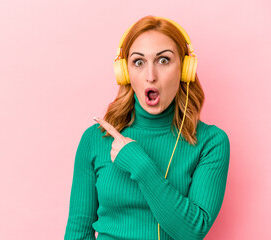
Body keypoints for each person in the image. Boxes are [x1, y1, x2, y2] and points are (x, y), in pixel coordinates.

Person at [64, 15, 230, 240]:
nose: (150, 76)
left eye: (163, 61)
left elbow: (192, 232)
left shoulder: (211, 142)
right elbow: (77, 233)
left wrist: (139, 164)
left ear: (184, 69)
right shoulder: (95, 139)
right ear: (125, 72)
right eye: (139, 62)